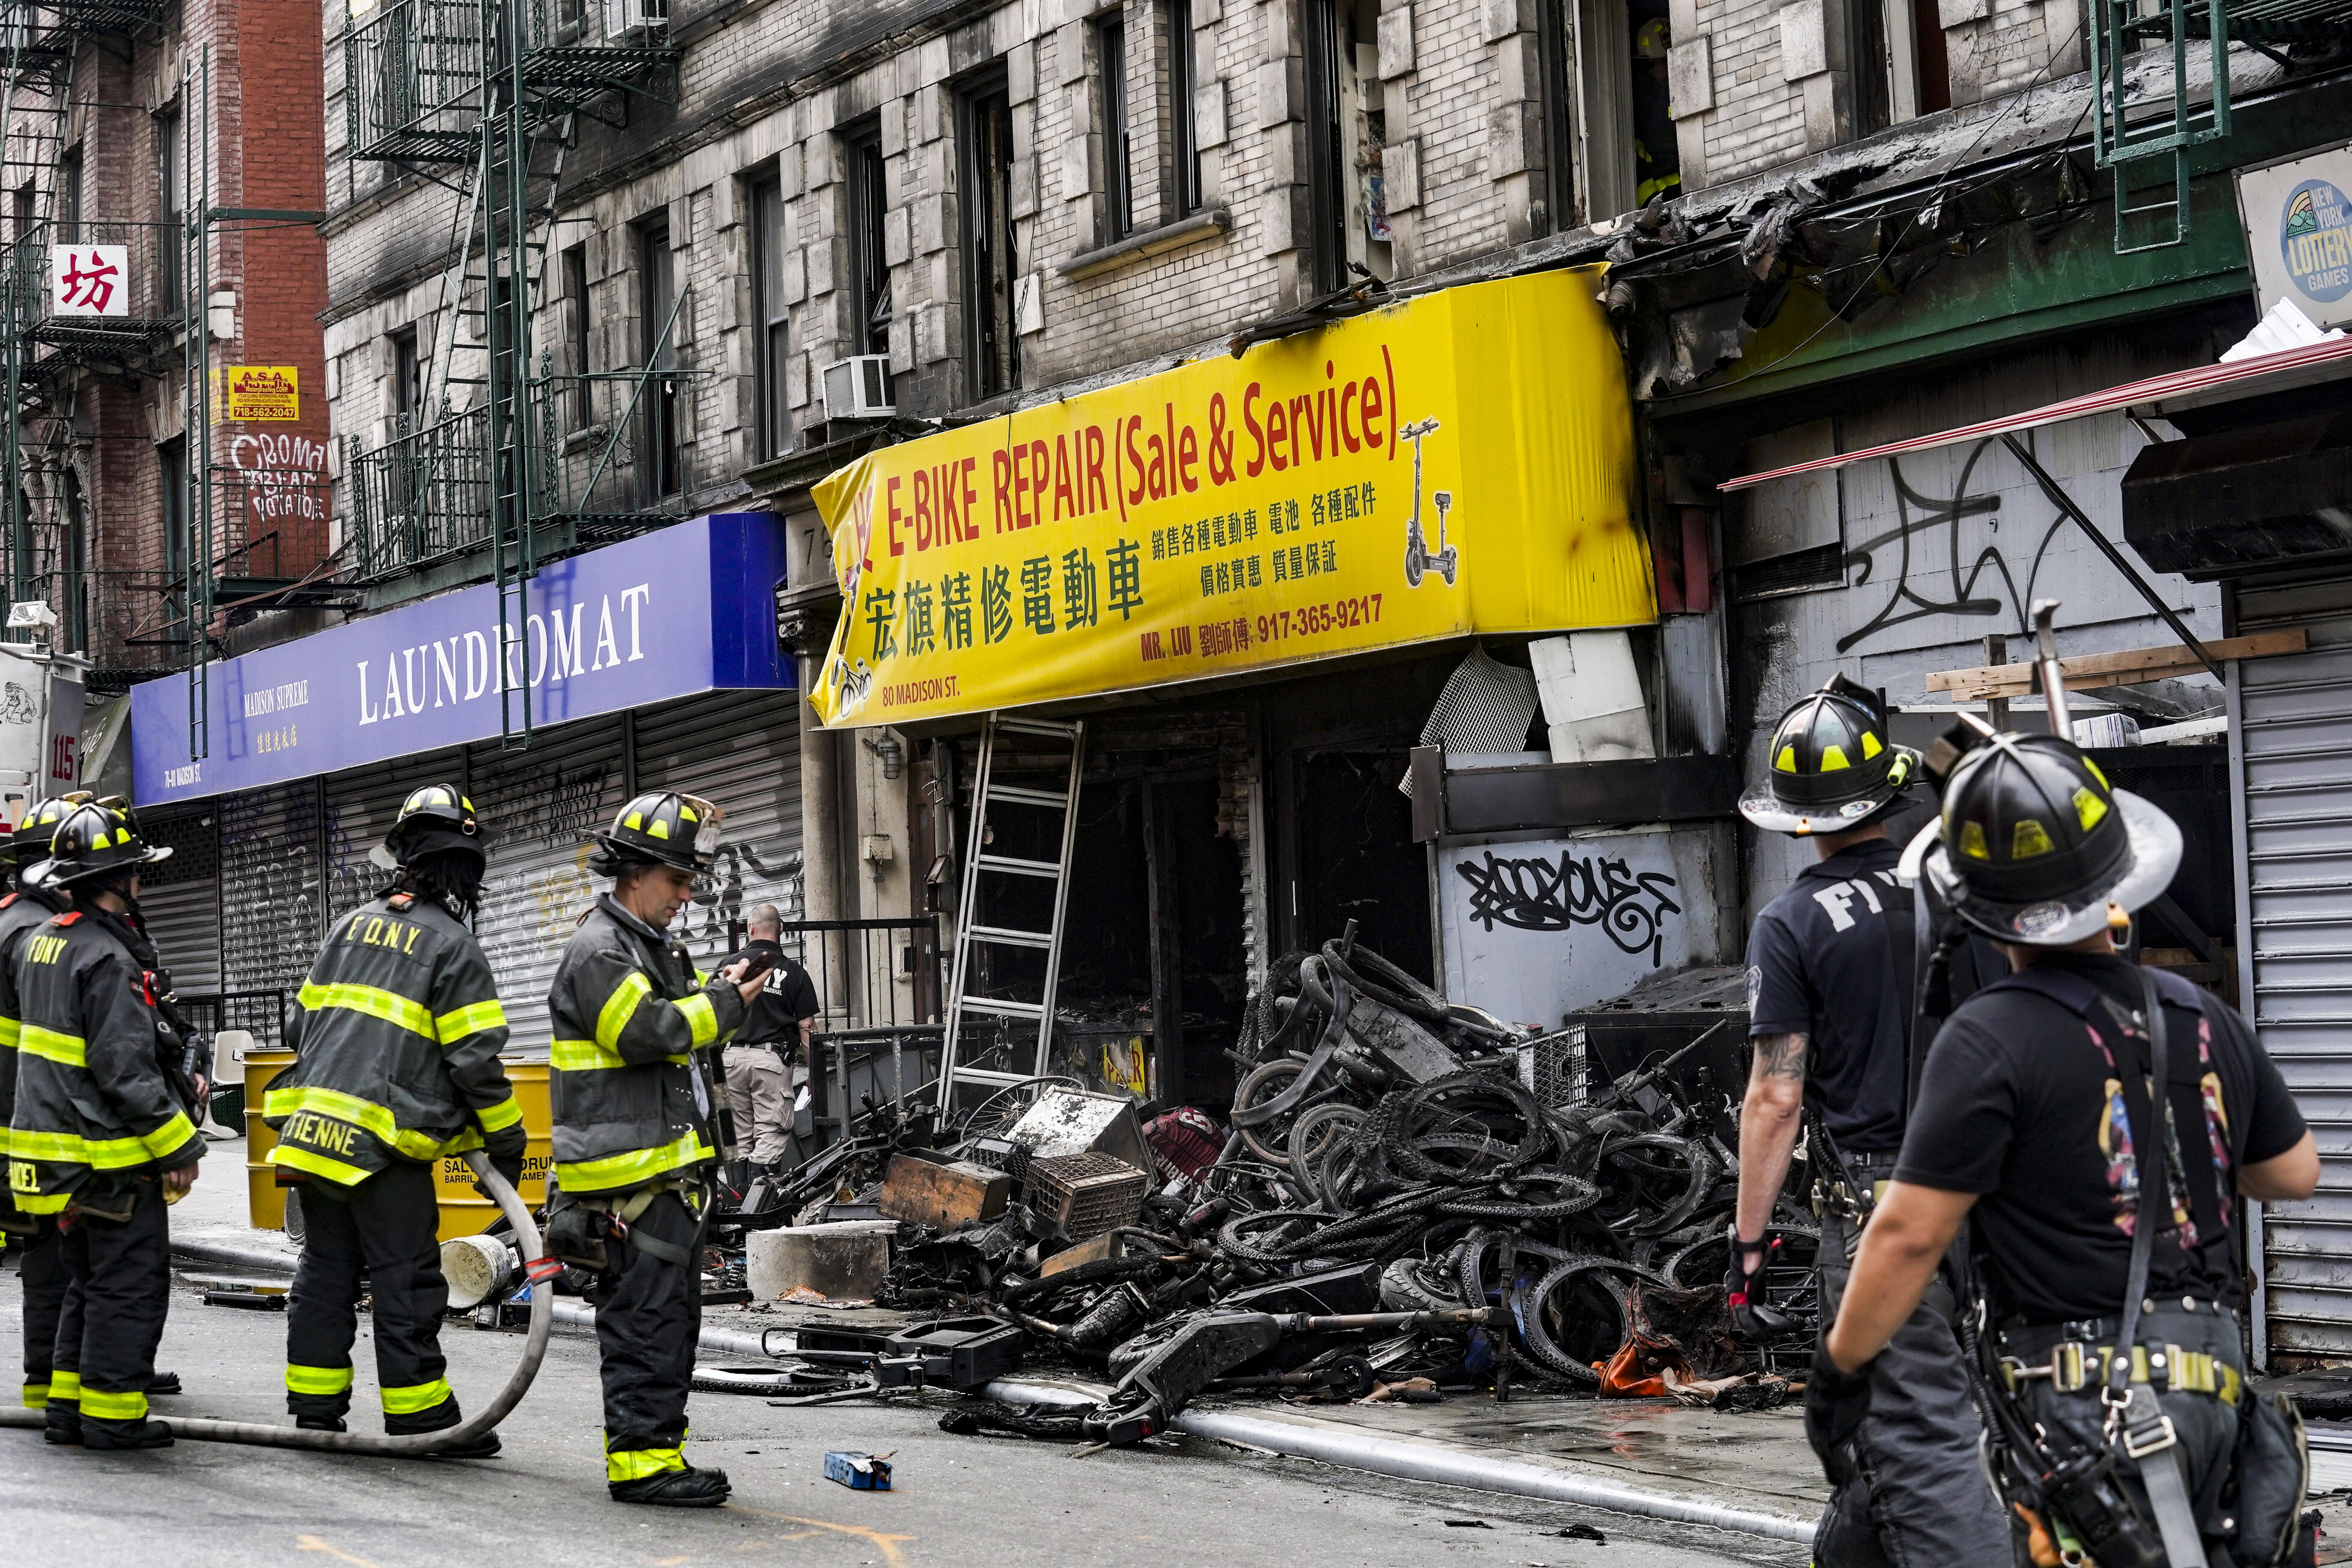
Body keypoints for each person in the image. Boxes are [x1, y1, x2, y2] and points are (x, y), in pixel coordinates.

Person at [1816, 733, 2320, 1566]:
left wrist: (1842, 1369)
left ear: (1970, 904)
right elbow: (2292, 1172)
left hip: (2084, 1408)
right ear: (2118, 880)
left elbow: (1908, 1234)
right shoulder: (2199, 1015)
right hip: (2218, 1398)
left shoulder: (1987, 1036)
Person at [1731, 674, 2012, 1567]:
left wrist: (1746, 1243)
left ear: (1795, 819)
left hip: (1879, 1214)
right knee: (1972, 1412)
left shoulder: (1791, 924)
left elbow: (1776, 1096)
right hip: (1997, 1197)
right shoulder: (1958, 894)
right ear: (1888, 792)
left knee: (1909, 1434)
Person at [262, 785, 524, 1455]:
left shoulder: (348, 926)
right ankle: (423, 1418)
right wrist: (507, 1136)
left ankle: (315, 1409)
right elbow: (475, 1061)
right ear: (466, 871)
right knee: (404, 1278)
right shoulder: (451, 945)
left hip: (314, 1135)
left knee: (326, 1271)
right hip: (382, 1148)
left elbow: (299, 1022)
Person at [546, 790, 763, 1506]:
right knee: (646, 1322)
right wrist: (724, 1005)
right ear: (634, 873)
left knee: (668, 1321)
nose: (687, 894)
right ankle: (640, 1465)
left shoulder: (646, 948)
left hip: (664, 1174)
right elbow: (647, 1033)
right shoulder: (600, 949)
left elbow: (679, 1029)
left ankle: (658, 1454)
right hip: (628, 1185)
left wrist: (717, 995)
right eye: (677, 879)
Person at [5, 802, 201, 1450]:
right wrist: (180, 1145)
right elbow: (124, 1070)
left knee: (84, 1281)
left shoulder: (44, 942)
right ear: (120, 878)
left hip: (57, 1155)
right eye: (138, 873)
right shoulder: (107, 959)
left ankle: (68, 1410)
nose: (143, 883)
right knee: (127, 1284)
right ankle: (114, 1418)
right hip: (104, 1155)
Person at [0, 795, 85, 1439]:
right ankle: (57, 1377)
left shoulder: (10, 920)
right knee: (58, 1250)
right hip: (32, 1125)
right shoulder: (42, 937)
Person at [720, 902, 820, 1179]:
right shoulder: (795, 972)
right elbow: (807, 1027)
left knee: (737, 1142)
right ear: (782, 930)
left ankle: (738, 1209)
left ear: (750, 928)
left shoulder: (728, 966)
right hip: (771, 1064)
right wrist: (814, 1074)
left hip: (729, 1061)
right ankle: (760, 1214)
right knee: (769, 1138)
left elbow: (713, 1015)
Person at [1631, 19, 1681, 207]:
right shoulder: (1652, 101)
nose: (1651, 72)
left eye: (1653, 65)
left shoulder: (1663, 98)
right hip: (1660, 199)